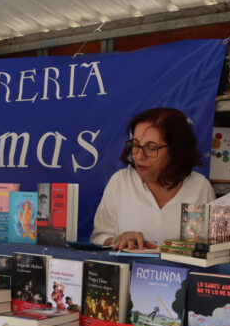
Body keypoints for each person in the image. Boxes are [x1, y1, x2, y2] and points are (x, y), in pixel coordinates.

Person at [90, 107, 215, 249]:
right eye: (136, 145)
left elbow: (212, 250)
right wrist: (116, 240)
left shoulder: (200, 188)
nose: (139, 156)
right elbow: (98, 238)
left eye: (151, 148)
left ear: (176, 150)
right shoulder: (120, 182)